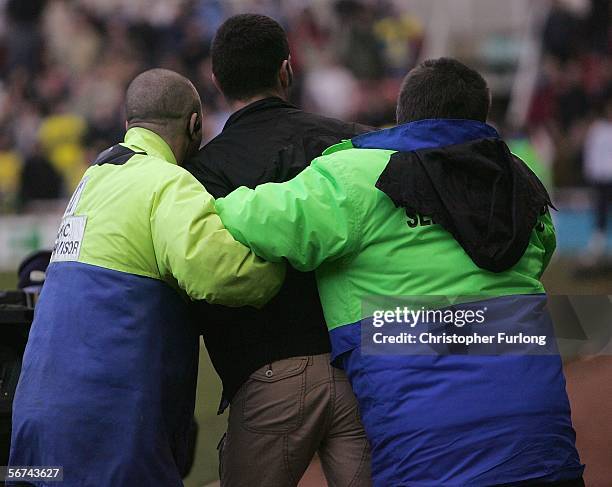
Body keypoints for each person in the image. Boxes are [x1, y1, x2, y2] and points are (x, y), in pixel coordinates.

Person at [215, 58, 585, 486]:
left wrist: (177, 189)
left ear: (403, 112)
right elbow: (542, 252)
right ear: (480, 113)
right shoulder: (522, 181)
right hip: (546, 456)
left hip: (429, 464)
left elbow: (250, 218)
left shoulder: (357, 176)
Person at [9, 69, 284, 487]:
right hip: (107, 430)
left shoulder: (94, 176)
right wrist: (287, 261)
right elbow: (225, 275)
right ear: (195, 125)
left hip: (36, 423)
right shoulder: (167, 182)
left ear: (128, 124)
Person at [184, 14, 372, 487]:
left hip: (268, 378)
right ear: (286, 71)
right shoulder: (355, 141)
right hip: (363, 368)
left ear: (217, 80)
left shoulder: (204, 171)